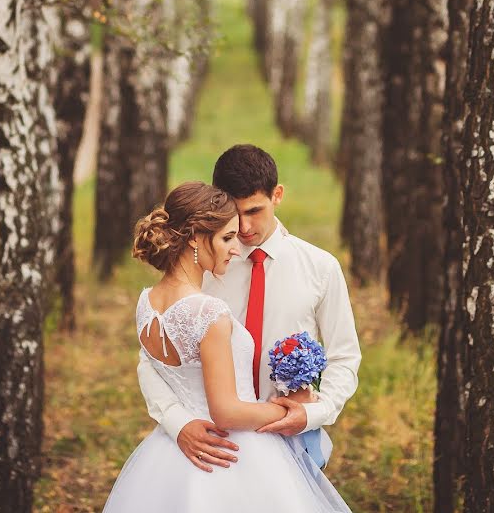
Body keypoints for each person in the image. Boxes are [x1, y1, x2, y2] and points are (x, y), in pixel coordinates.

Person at [102, 181, 350, 512]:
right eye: (227, 238)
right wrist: (292, 409)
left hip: (169, 457)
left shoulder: (146, 300)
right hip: (232, 451)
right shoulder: (209, 311)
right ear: (193, 236)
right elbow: (225, 411)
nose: (236, 247)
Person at [138, 144, 362, 470]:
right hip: (215, 444)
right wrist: (177, 421)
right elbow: (154, 357)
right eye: (235, 213)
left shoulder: (320, 268)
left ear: (277, 195)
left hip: (290, 439)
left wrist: (311, 414)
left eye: (254, 211)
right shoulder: (205, 268)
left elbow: (344, 357)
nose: (243, 228)